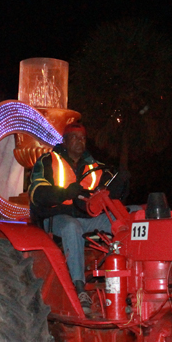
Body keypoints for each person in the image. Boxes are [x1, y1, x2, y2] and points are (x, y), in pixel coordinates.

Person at [29, 123, 125, 315]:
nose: (80, 141)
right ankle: (79, 288)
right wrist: (64, 193)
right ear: (65, 141)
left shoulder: (94, 166)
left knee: (121, 221)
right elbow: (37, 193)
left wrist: (118, 186)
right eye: (75, 137)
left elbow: (105, 188)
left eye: (83, 138)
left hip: (87, 217)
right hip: (56, 218)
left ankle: (123, 285)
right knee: (72, 227)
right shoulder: (48, 161)